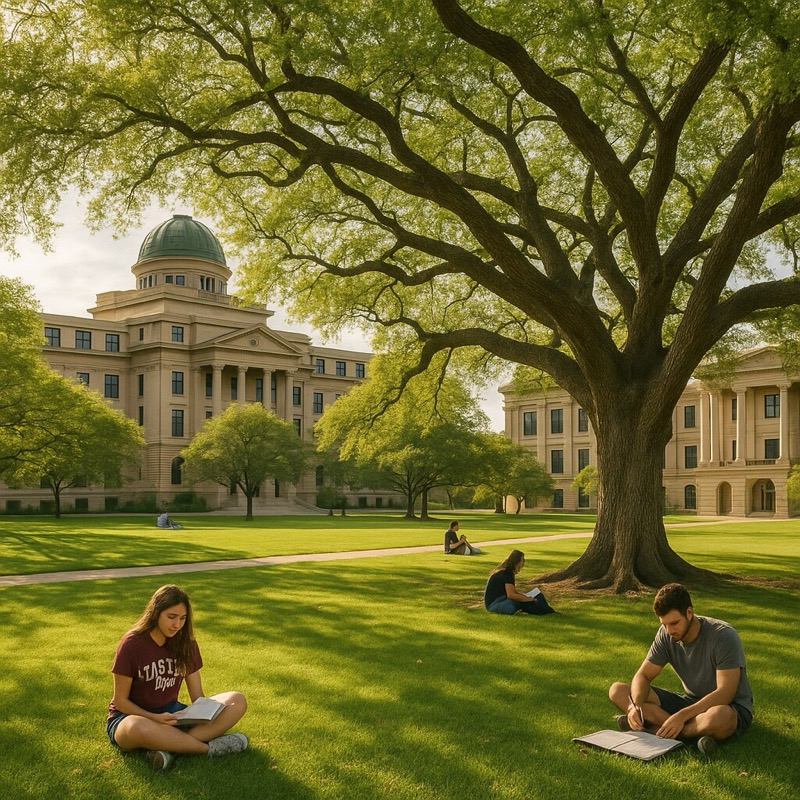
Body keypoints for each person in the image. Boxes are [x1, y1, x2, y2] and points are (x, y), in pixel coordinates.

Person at [107, 584, 249, 770]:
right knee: (138, 727)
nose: (177, 624)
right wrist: (155, 719)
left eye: (183, 618)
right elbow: (120, 701)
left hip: (173, 715)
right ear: (156, 612)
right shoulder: (132, 644)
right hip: (130, 717)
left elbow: (198, 696)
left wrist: (201, 714)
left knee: (236, 700)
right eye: (171, 617)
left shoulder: (186, 644)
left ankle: (169, 747)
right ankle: (209, 749)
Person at [608, 582, 753, 756]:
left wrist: (681, 716)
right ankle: (685, 732)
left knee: (720, 716)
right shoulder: (666, 634)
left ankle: (662, 731)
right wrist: (634, 707)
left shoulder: (723, 636)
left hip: (729, 707)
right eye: (664, 624)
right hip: (689, 701)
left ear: (689, 613)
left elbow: (725, 693)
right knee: (618, 690)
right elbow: (643, 675)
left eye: (674, 623)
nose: (669, 630)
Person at [483, 549, 556, 615]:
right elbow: (511, 595)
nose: (523, 563)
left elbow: (514, 592)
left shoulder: (506, 571)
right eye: (523, 560)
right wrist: (527, 599)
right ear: (517, 562)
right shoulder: (507, 573)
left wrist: (526, 596)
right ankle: (547, 612)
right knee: (524, 602)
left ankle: (548, 611)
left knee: (537, 595)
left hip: (499, 602)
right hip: (495, 605)